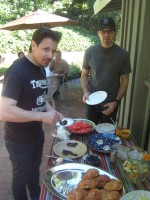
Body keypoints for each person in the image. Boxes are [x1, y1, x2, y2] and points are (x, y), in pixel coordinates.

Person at [0, 27, 63, 200]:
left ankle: (36, 196)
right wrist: (41, 116)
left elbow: (41, 99)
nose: (50, 55)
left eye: (53, 50)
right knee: (21, 177)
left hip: (36, 135)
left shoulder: (41, 68)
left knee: (34, 170)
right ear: (33, 45)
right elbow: (3, 111)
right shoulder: (17, 71)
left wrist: (52, 111)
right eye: (46, 49)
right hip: (18, 140)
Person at [81, 17, 131, 125]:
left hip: (110, 102)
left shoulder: (123, 54)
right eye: (103, 31)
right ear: (98, 33)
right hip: (92, 99)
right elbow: (84, 75)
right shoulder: (90, 52)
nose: (106, 35)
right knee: (90, 129)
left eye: (109, 31)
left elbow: (125, 80)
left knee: (107, 135)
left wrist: (116, 102)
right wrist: (86, 91)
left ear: (115, 33)